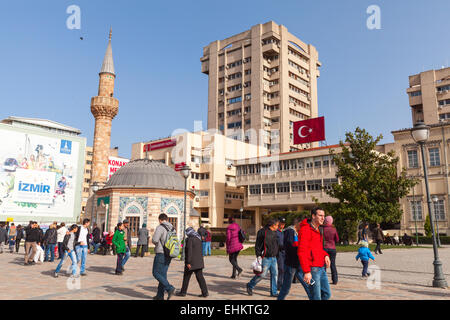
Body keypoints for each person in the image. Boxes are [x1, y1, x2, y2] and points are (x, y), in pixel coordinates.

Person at [298, 207, 331, 300]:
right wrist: (306, 271)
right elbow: (302, 252)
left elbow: (318, 248)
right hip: (313, 269)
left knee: (327, 294)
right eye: (320, 215)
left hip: (321, 268)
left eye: (323, 216)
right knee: (316, 297)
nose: (323, 218)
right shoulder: (305, 230)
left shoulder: (318, 229)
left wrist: (325, 255)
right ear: (313, 216)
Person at [278, 217, 311, 300]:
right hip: (291, 264)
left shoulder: (296, 232)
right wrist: (300, 250)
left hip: (298, 263)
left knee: (309, 284)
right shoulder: (290, 231)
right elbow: (290, 246)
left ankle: (314, 297)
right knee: (286, 288)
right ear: (299, 223)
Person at [246, 219, 279, 297]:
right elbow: (257, 245)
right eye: (277, 225)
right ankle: (250, 285)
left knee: (275, 274)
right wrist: (258, 256)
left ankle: (273, 292)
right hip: (265, 257)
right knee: (262, 275)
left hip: (274, 258)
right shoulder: (262, 232)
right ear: (273, 225)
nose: (278, 227)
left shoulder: (275, 232)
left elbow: (276, 244)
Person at [176, 227, 209, 297]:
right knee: (200, 278)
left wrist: (188, 262)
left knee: (186, 277)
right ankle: (205, 292)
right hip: (199, 262)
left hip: (191, 263)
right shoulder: (198, 238)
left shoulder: (190, 239)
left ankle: (183, 292)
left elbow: (189, 252)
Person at [151, 213, 176, 300]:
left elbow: (155, 240)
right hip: (169, 253)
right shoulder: (172, 228)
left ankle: (169, 288)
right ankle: (160, 296)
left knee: (156, 273)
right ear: (167, 219)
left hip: (161, 253)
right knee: (163, 274)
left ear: (160, 219)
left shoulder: (160, 227)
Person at [323, 215, 339, 285]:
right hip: (332, 248)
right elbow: (337, 239)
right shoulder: (334, 229)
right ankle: (335, 280)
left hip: (324, 248)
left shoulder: (322, 229)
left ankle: (323, 280)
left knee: (323, 265)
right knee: (333, 264)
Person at [276, 217, 286, 292]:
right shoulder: (276, 232)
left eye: (283, 224)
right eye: (281, 223)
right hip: (279, 252)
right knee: (281, 269)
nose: (282, 225)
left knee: (284, 269)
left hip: (285, 252)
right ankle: (279, 285)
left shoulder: (284, 231)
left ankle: (283, 284)